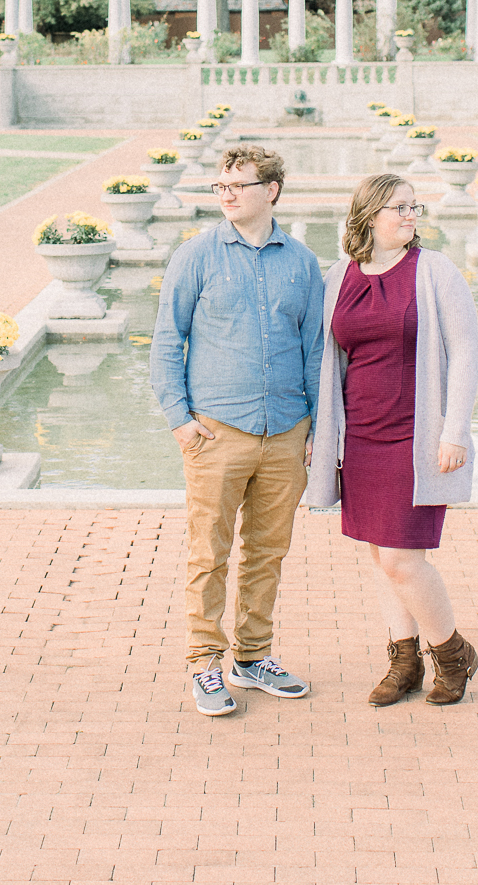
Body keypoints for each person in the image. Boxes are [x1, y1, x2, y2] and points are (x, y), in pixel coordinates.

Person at [151, 144, 325, 716]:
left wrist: (315, 431)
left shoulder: (301, 262)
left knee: (267, 552)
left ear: (271, 191)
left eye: (239, 186)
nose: (226, 195)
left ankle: (253, 658)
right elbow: (165, 343)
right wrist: (180, 420)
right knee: (209, 553)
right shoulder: (196, 256)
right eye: (220, 186)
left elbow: (314, 351)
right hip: (217, 432)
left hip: (285, 433)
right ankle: (204, 663)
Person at [309, 173, 478, 706]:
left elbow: (467, 353)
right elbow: (328, 360)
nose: (410, 216)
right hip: (360, 437)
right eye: (399, 207)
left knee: (404, 559)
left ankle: (452, 654)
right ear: (368, 217)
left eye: (414, 206)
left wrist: (455, 432)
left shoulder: (434, 272)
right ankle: (402, 660)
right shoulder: (340, 275)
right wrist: (322, 433)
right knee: (382, 556)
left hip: (415, 438)